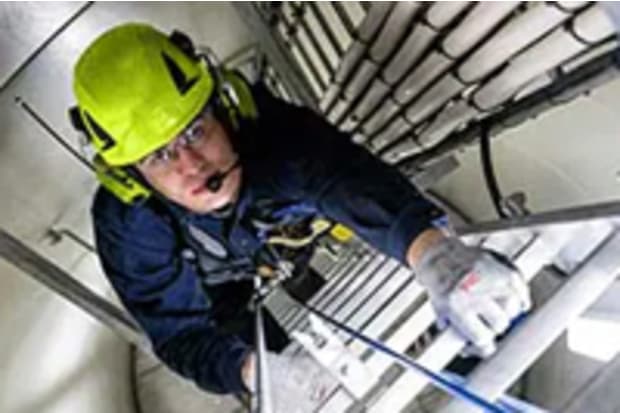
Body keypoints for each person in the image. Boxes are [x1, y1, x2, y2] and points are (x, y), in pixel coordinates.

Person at [70, 23, 531, 408]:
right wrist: (253, 372)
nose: (192, 165)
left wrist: (436, 254)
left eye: (195, 130)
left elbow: (343, 180)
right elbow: (181, 331)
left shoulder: (272, 136)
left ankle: (476, 364)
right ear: (130, 177)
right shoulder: (129, 225)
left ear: (224, 108)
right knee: (264, 359)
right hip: (216, 289)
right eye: (159, 157)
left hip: (280, 234)